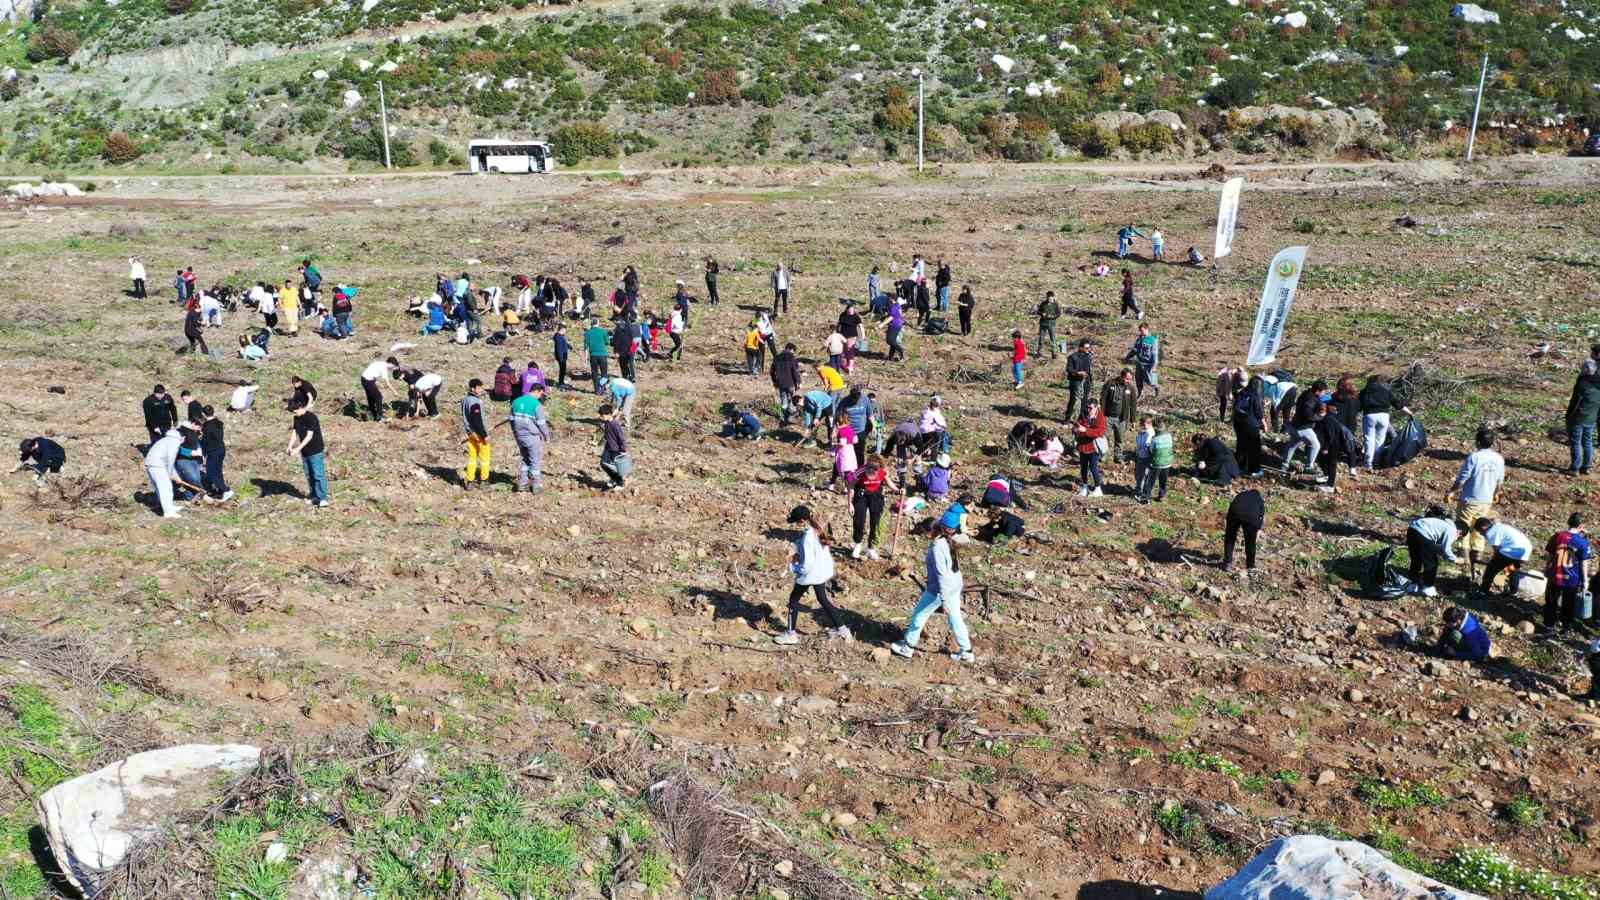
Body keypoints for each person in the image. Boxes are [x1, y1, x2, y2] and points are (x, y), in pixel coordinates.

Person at [891, 521, 974, 662]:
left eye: (924, 533)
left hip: (940, 590)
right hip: (954, 584)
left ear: (930, 532)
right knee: (955, 618)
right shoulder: (945, 540)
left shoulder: (937, 547)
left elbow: (942, 574)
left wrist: (944, 600)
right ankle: (967, 652)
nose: (924, 536)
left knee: (919, 615)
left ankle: (908, 647)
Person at [775, 505, 850, 644]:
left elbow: (807, 565)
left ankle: (791, 634)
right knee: (823, 599)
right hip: (821, 572)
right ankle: (843, 629)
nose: (796, 524)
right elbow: (818, 554)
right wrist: (799, 555)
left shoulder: (807, 537)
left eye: (797, 521)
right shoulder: (818, 529)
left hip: (811, 574)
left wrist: (794, 567)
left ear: (803, 520)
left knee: (793, 600)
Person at [1447, 428, 1505, 580]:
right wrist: (1495, 493)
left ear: (1478, 441)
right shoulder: (1499, 459)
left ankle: (1464, 559)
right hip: (1486, 501)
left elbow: (1462, 479)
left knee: (1463, 526)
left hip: (1470, 499)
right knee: (1480, 529)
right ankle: (1477, 558)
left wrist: (1451, 492)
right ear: (1492, 442)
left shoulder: (1474, 457)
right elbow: (1500, 481)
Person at [1543, 513, 1593, 635]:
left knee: (1551, 601)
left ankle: (1549, 625)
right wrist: (1585, 580)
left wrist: (1547, 568)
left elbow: (1550, 555)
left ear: (1568, 522)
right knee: (1568, 603)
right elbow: (1583, 563)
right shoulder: (1582, 542)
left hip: (1555, 575)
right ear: (1581, 525)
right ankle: (1566, 627)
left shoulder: (1557, 536)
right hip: (1572, 578)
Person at [1358, 374, 1413, 471]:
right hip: (1384, 416)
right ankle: (1376, 462)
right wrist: (1409, 412)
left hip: (1369, 416)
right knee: (1380, 440)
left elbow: (1357, 407)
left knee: (1369, 440)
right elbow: (1398, 404)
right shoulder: (1385, 391)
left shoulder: (1364, 392)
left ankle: (1368, 464)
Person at [504, 387, 552, 493]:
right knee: (535, 461)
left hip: (519, 436)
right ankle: (536, 486)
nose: (540, 397)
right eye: (541, 394)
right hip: (532, 436)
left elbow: (511, 420)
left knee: (525, 459)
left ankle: (522, 484)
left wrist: (515, 433)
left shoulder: (516, 401)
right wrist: (546, 436)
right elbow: (541, 423)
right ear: (537, 391)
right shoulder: (536, 405)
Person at [1406, 506, 1459, 598]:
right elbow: (1445, 549)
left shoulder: (1442, 523)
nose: (1457, 538)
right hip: (1424, 533)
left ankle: (1412, 584)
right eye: (1459, 536)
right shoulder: (1452, 530)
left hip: (1412, 529)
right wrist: (1455, 559)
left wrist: (1444, 554)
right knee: (1431, 563)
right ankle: (1428, 588)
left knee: (1416, 559)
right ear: (1459, 531)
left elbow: (1437, 547)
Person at [1282, 380, 1328, 480]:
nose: (1324, 394)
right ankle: (1309, 466)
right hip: (1303, 427)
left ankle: (1284, 466)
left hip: (1294, 425)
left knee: (1292, 445)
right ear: (1318, 391)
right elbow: (1309, 416)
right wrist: (1321, 416)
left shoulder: (1305, 394)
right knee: (1316, 445)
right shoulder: (1311, 400)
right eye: (1323, 391)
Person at [1475, 517, 1532, 596]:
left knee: (1491, 569)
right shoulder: (1498, 526)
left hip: (1512, 550)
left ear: (1483, 528)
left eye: (1480, 532)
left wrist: (1494, 561)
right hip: (1525, 551)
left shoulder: (1490, 532)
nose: (1481, 534)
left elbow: (1497, 550)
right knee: (1512, 569)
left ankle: (1483, 590)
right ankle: (1513, 592)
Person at [144, 428, 192, 518]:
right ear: (183, 438)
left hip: (153, 463)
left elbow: (169, 460)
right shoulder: (175, 442)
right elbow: (171, 460)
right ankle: (168, 512)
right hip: (157, 464)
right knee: (165, 488)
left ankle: (169, 507)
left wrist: (174, 475)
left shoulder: (168, 439)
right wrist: (172, 475)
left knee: (164, 488)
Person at [288, 399, 329, 508]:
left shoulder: (311, 418)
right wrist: (290, 445)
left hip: (315, 450)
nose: (294, 413)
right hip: (305, 452)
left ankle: (323, 498)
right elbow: (295, 431)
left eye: (295, 411)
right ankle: (314, 496)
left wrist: (298, 448)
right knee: (309, 474)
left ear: (301, 407)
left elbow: (309, 436)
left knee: (318, 474)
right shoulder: (296, 417)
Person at [1222, 488, 1265, 575]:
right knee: (1250, 542)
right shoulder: (1259, 499)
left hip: (1234, 512)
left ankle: (1227, 563)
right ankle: (1250, 566)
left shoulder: (1242, 494)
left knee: (1230, 537)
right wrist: (1258, 529)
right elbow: (1261, 515)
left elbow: (1232, 504)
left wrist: (1228, 521)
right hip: (1250, 517)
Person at [1568, 359, 1600, 476]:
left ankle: (1575, 468)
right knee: (1588, 442)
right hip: (1591, 419)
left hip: (1578, 418)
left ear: (1585, 370)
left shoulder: (1582, 384)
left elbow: (1574, 402)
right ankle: (1586, 467)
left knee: (1576, 443)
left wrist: (1569, 416)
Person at [460, 378, 492, 489]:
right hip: (478, 434)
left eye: (481, 387)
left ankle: (469, 481)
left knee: (472, 458)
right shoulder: (475, 402)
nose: (481, 390)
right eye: (479, 388)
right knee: (485, 458)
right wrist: (484, 435)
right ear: (472, 388)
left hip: (470, 433)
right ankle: (484, 480)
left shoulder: (465, 400)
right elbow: (477, 420)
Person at [1100, 368, 1137, 464]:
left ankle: (1118, 456)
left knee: (1120, 438)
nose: (1128, 381)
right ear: (1121, 376)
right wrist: (1102, 414)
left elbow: (1133, 404)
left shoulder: (1131, 388)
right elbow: (1103, 399)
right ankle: (1103, 455)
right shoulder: (1110, 384)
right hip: (1108, 416)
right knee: (1105, 437)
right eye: (1127, 379)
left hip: (1122, 418)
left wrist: (1133, 420)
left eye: (1130, 379)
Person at [1073, 398, 1107, 498]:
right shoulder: (1084, 414)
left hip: (1094, 447)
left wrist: (1085, 430)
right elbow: (1077, 424)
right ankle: (1084, 487)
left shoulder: (1100, 417)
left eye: (1090, 408)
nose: (1088, 410)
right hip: (1083, 445)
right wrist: (1076, 429)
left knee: (1093, 468)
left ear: (1096, 407)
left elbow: (1099, 432)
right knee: (1083, 467)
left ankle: (1098, 488)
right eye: (1087, 407)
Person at [1232, 375, 1265, 478]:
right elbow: (1258, 413)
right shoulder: (1255, 396)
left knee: (1241, 445)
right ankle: (1254, 470)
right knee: (1254, 448)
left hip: (1238, 423)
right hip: (1251, 425)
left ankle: (1239, 467)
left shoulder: (1242, 392)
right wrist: (1263, 423)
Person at [1124, 324, 1160, 400]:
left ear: (1147, 329)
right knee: (1138, 380)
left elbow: (1155, 354)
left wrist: (1154, 366)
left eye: (1142, 330)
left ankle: (1156, 388)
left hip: (1148, 365)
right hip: (1139, 363)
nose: (1140, 332)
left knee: (1150, 381)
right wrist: (1128, 357)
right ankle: (1140, 393)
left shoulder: (1153, 340)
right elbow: (1135, 349)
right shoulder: (1139, 339)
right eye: (1140, 330)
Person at [1143, 417, 1175, 502]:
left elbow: (1151, 450)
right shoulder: (1169, 436)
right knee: (1163, 480)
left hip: (1156, 463)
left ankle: (1147, 496)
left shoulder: (1154, 439)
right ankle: (1162, 495)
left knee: (1151, 480)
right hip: (1167, 463)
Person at [771, 342, 803, 426]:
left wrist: (775, 381)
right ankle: (792, 418)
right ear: (790, 349)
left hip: (781, 383)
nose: (793, 353)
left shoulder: (776, 357)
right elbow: (795, 371)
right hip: (790, 382)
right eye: (793, 351)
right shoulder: (791, 357)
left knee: (784, 402)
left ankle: (784, 418)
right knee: (791, 401)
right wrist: (798, 382)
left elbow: (771, 371)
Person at [599, 403, 629, 490]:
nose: (601, 417)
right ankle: (614, 479)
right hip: (608, 447)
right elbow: (607, 435)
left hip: (615, 449)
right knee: (603, 464)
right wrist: (600, 442)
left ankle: (620, 483)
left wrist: (623, 449)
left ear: (608, 414)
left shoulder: (615, 425)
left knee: (617, 467)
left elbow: (621, 438)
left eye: (602, 415)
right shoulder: (607, 423)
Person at [1065, 339, 1094, 423]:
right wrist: (1078, 373)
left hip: (1086, 381)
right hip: (1076, 381)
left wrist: (1091, 381)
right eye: (1086, 348)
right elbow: (1069, 369)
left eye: (1089, 348)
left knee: (1084, 401)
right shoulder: (1072, 357)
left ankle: (1081, 419)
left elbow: (1090, 369)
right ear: (1081, 348)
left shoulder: (1089, 356)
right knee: (1073, 400)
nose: (1088, 350)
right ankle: (1067, 418)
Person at [360, 357, 397, 422]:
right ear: (390, 363)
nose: (392, 368)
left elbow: (372, 371)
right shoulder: (384, 368)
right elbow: (387, 384)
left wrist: (376, 382)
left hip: (363, 378)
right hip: (368, 381)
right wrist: (394, 392)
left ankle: (373, 416)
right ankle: (380, 417)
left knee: (371, 398)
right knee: (379, 397)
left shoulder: (380, 363)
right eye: (393, 366)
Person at [583, 318, 610, 393]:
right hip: (602, 355)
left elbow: (586, 347)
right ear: (598, 323)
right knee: (604, 373)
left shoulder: (587, 333)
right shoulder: (603, 331)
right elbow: (607, 342)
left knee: (594, 373)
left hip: (593, 355)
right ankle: (603, 388)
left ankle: (597, 390)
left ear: (591, 324)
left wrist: (585, 359)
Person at [879, 293, 906, 361]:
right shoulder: (897, 305)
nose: (888, 299)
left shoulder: (893, 307)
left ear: (892, 299)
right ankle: (890, 356)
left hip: (894, 325)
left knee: (890, 340)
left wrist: (882, 324)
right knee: (893, 341)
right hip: (898, 324)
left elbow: (891, 317)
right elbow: (895, 314)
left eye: (889, 297)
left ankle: (901, 350)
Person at [1036, 291, 1061, 360]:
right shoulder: (1043, 303)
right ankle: (1039, 353)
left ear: (1053, 297)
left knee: (1053, 339)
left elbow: (1058, 314)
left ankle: (1054, 353)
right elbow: (1038, 311)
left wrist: (1052, 316)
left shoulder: (1055, 305)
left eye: (1050, 298)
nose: (1049, 299)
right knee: (1041, 339)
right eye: (1048, 298)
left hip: (1051, 324)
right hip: (1043, 323)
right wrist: (1042, 314)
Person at [551, 324, 571, 390]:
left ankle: (561, 382)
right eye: (565, 330)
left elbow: (564, 343)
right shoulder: (559, 337)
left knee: (563, 370)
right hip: (561, 357)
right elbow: (559, 349)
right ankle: (561, 383)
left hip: (563, 356)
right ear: (562, 329)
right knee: (562, 370)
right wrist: (561, 358)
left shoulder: (560, 336)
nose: (565, 331)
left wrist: (569, 346)